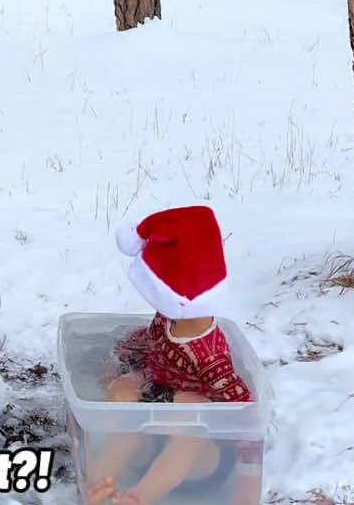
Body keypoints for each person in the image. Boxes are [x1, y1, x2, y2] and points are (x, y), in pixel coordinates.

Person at [86, 206, 261, 505]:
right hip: (154, 438)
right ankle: (94, 488)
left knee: (191, 417)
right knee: (127, 408)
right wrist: (124, 374)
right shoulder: (169, 318)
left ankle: (136, 499)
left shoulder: (210, 356)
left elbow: (245, 417)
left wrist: (248, 481)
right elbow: (147, 345)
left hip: (200, 462)